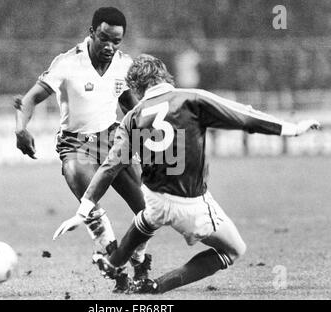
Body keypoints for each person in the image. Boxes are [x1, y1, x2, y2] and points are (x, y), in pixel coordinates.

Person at [65, 54, 321, 294]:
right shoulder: (191, 99)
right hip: (190, 204)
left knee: (148, 218)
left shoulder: (132, 117)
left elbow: (112, 164)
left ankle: (115, 261)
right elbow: (245, 118)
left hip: (153, 197)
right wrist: (292, 129)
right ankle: (155, 287)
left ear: (136, 87)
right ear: (164, 75)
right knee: (234, 250)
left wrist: (84, 207)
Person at [14, 7, 151, 291]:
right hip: (76, 142)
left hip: (115, 138)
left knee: (147, 209)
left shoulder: (123, 65)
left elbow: (130, 105)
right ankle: (112, 259)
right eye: (104, 38)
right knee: (81, 184)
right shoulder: (67, 63)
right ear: (92, 32)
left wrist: (151, 136)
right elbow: (30, 99)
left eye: (117, 41)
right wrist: (20, 128)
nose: (110, 47)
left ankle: (138, 261)